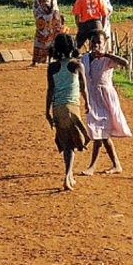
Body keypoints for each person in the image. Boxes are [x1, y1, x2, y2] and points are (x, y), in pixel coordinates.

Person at [43, 31, 92, 190]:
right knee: (74, 142)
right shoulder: (77, 65)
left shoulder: (52, 67)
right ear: (72, 47)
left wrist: (47, 112)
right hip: (72, 108)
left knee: (65, 144)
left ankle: (68, 174)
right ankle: (67, 174)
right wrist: (88, 104)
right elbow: (83, 88)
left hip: (58, 108)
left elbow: (50, 90)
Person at [79, 28, 132, 174]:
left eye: (99, 43)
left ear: (105, 43)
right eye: (93, 42)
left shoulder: (108, 60)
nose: (96, 45)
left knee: (99, 133)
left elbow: (125, 63)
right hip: (92, 98)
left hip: (106, 98)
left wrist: (106, 54)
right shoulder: (85, 59)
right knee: (99, 132)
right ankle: (116, 164)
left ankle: (92, 166)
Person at [31, 0, 66, 67]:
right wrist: (44, 17)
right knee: (39, 42)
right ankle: (35, 61)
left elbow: (55, 9)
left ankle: (50, 60)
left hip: (50, 23)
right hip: (42, 23)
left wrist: (56, 17)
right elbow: (35, 10)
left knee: (51, 42)